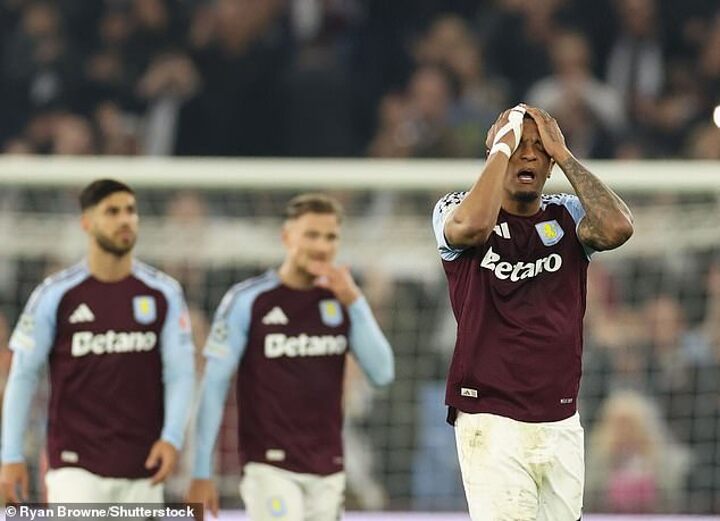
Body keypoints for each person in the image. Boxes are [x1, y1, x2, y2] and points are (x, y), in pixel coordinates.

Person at [432, 104, 634, 520]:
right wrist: (499, 150)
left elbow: (618, 228)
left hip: (561, 418)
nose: (527, 154)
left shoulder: (567, 214)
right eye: (517, 145)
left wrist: (566, 156)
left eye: (539, 147)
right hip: (491, 417)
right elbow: (471, 229)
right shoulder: (455, 208)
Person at [186, 193, 395, 520]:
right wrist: (201, 472)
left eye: (330, 237)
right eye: (311, 235)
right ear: (287, 238)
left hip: (328, 468)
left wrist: (355, 301)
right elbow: (214, 385)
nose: (321, 246)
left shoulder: (341, 301)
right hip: (270, 467)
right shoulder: (248, 301)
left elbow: (383, 373)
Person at [0, 179, 195, 503]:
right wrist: (10, 455)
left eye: (131, 211)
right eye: (112, 212)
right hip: (75, 466)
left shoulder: (164, 293)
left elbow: (181, 373)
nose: (125, 220)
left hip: (144, 465)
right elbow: (24, 375)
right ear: (87, 223)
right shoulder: (55, 294)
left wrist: (172, 438)